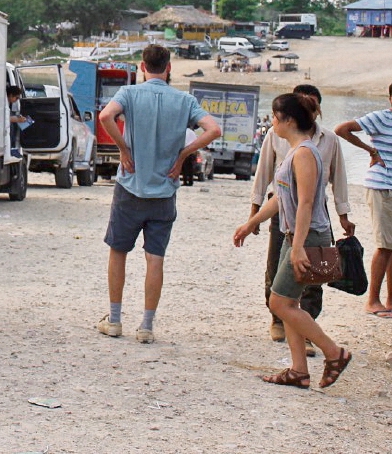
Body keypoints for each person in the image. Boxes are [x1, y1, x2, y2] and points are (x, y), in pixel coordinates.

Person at [95, 44, 221, 343]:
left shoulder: (128, 94)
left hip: (130, 186)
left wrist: (124, 148)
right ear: (168, 68)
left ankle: (114, 320)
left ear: (141, 66)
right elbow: (213, 130)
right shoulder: (184, 100)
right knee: (155, 258)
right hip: (164, 191)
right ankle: (147, 326)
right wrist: (183, 155)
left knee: (118, 251)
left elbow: (105, 117)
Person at [233, 93, 353, 390]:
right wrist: (251, 223)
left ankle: (333, 353)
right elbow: (282, 198)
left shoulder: (304, 154)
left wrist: (298, 247)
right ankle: (299, 370)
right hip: (295, 234)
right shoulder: (294, 151)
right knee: (288, 300)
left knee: (279, 302)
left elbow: (307, 203)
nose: (271, 122)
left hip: (307, 235)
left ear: (287, 120)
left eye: (274, 117)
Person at [335, 79, 392, 318]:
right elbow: (341, 129)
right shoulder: (380, 117)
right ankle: (372, 300)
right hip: (381, 187)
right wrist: (370, 151)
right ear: (389, 99)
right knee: (384, 245)